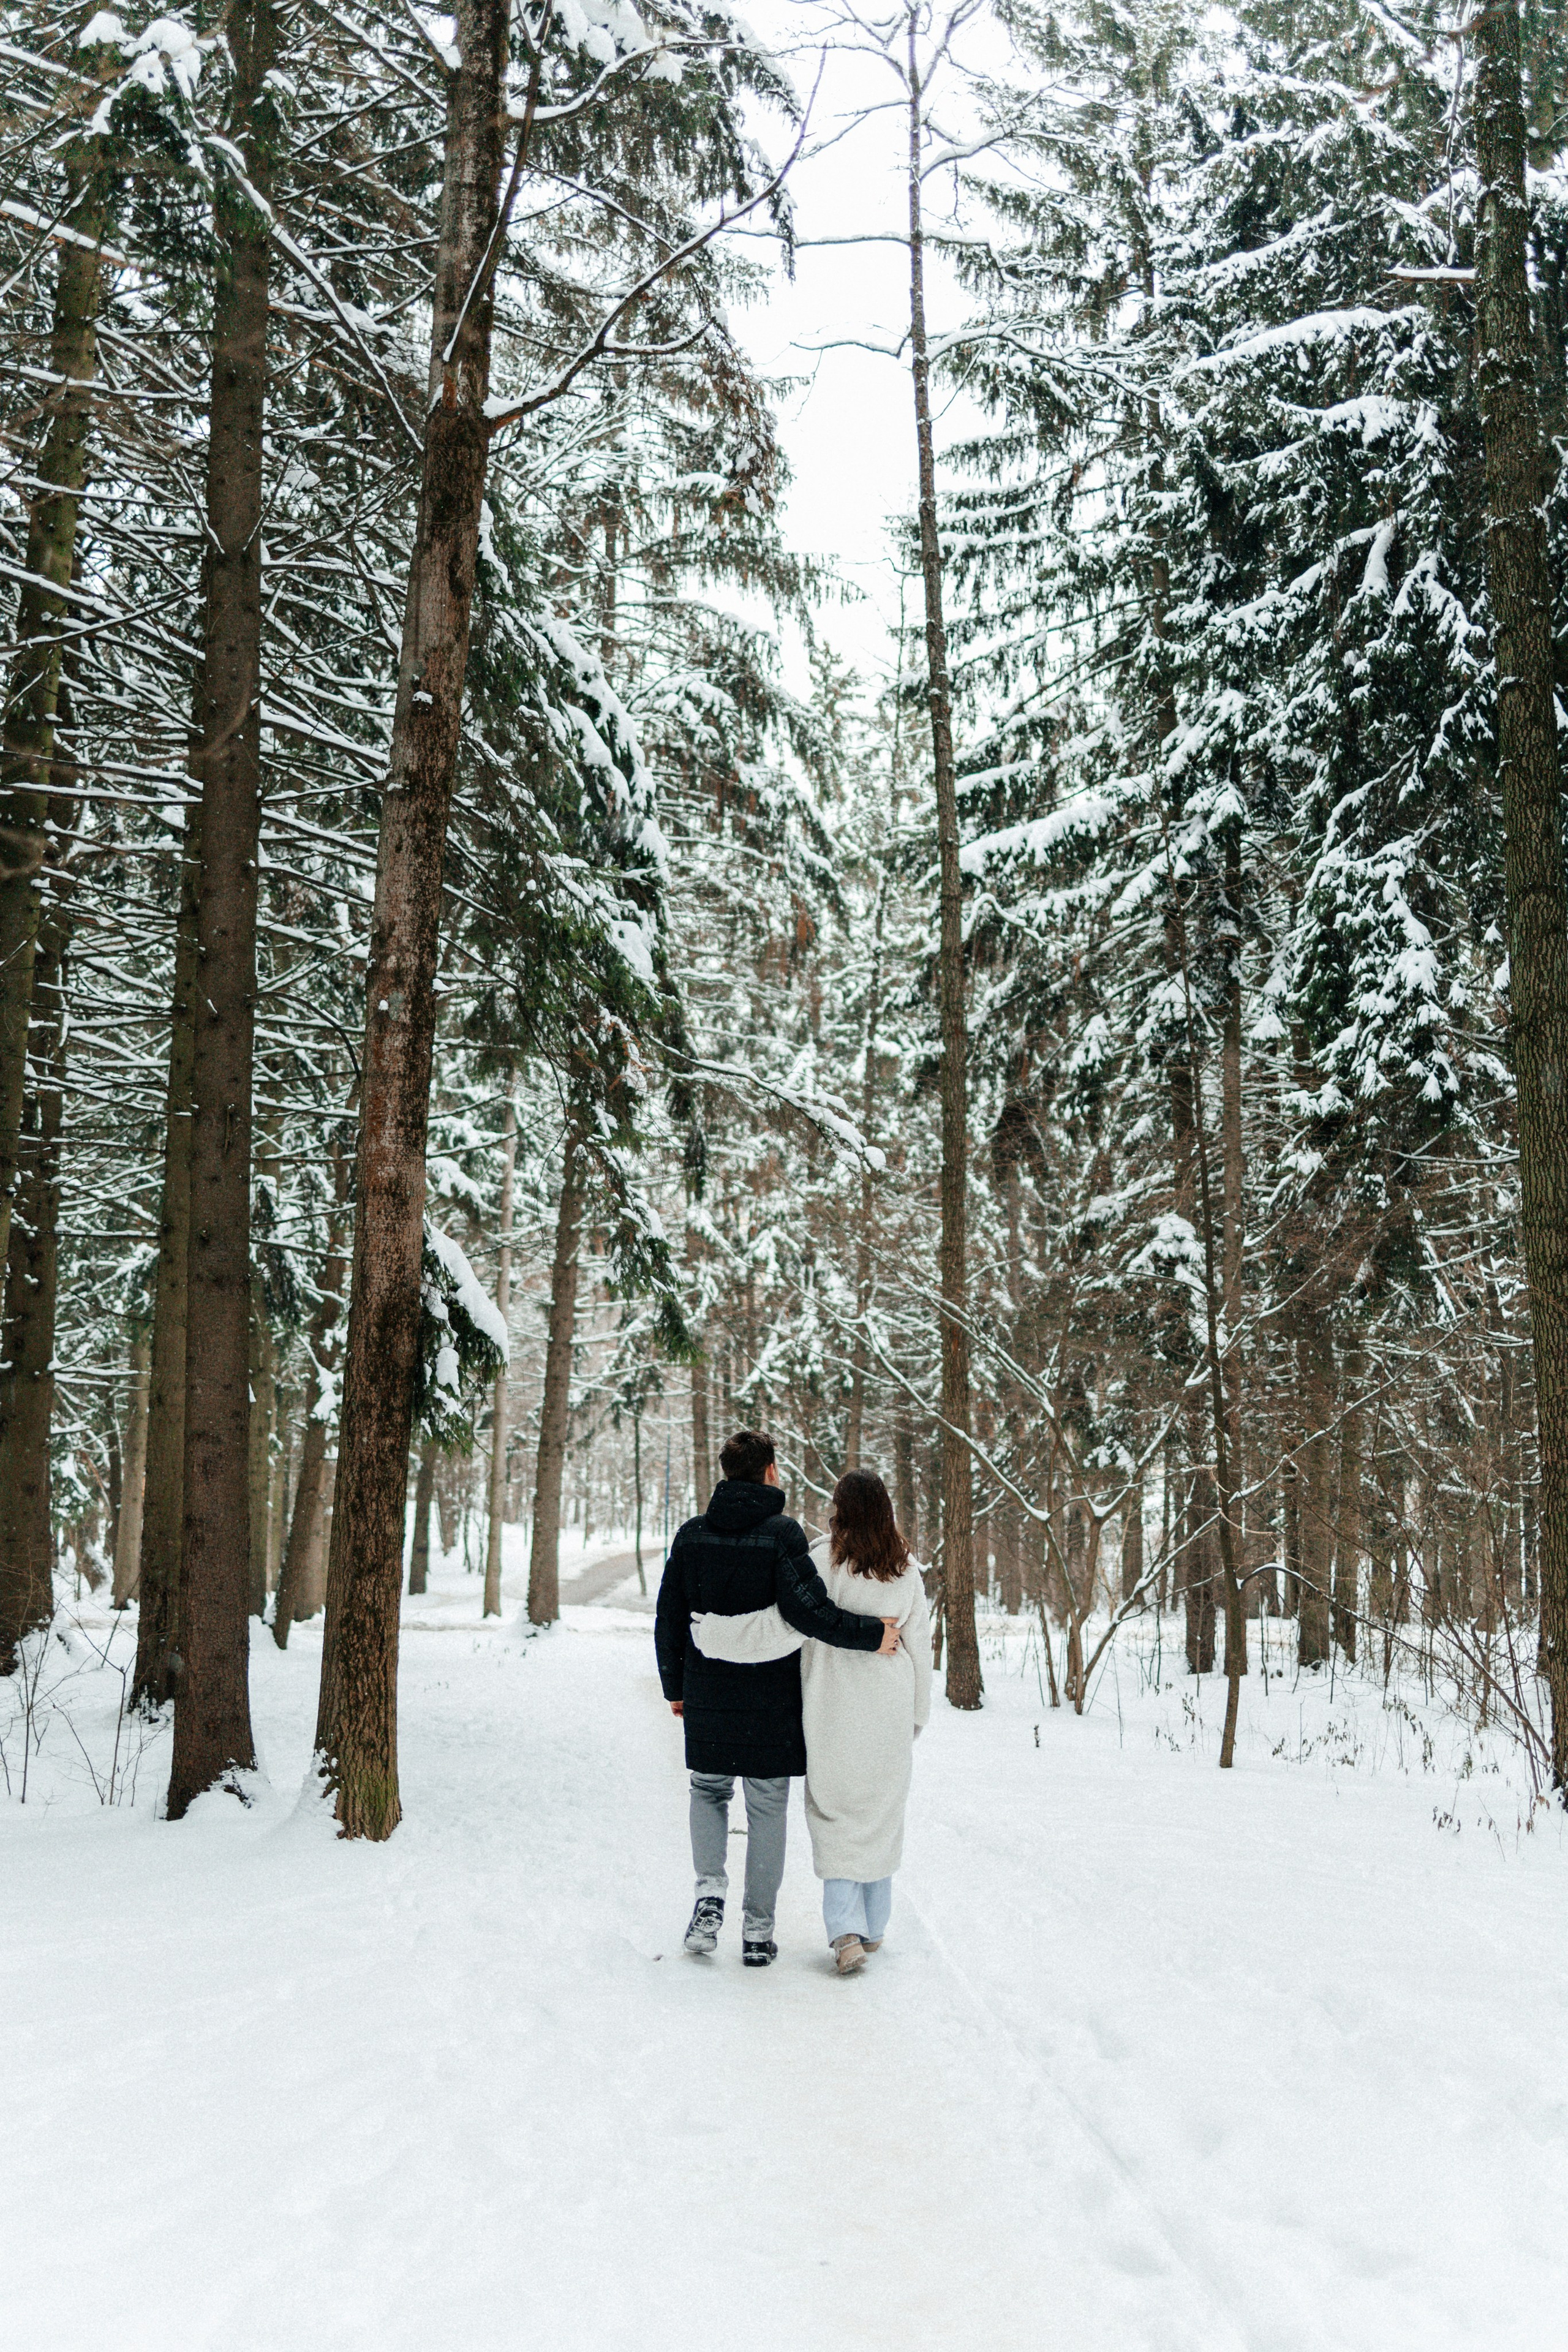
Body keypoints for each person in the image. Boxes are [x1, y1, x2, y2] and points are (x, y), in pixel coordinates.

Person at [654, 1430, 899, 1968]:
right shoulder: (782, 1534)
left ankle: (709, 1894)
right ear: (769, 1472)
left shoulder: (692, 1535)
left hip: (708, 1693)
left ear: (726, 1473)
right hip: (770, 1701)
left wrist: (676, 1687)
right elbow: (810, 1612)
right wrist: (872, 1635)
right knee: (766, 1807)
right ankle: (758, 1932)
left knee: (708, 1791)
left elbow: (668, 1615)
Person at [692, 1468, 930, 1975]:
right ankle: (874, 1925)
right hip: (888, 1702)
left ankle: (844, 1931)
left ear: (840, 1509)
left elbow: (780, 1628)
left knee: (835, 1811)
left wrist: (715, 1636)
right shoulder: (906, 1569)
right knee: (881, 1813)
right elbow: (921, 1647)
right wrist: (917, 1715)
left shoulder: (822, 1561)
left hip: (831, 1702)